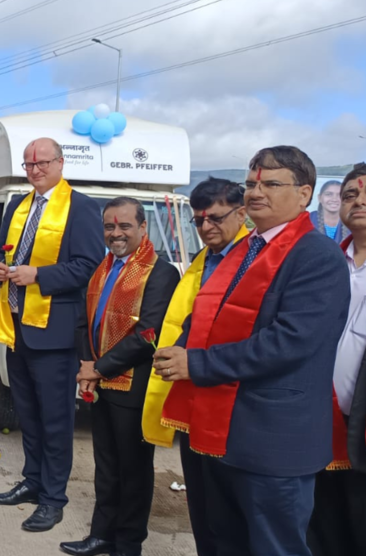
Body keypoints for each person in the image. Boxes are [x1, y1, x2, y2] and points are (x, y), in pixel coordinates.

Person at [154, 146, 350, 556]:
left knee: (273, 546)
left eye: (271, 184)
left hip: (272, 440)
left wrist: (196, 363)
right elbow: (206, 314)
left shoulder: (316, 255)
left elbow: (289, 341)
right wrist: (180, 347)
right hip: (219, 426)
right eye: (250, 184)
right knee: (222, 541)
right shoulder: (244, 250)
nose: (256, 192)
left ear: (305, 194)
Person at [0, 138, 105, 531]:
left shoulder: (81, 207)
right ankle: (32, 480)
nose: (35, 170)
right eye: (28, 164)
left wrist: (38, 275)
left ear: (60, 163)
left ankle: (53, 498)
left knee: (55, 419)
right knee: (27, 412)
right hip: (16, 326)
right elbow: (3, 252)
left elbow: (90, 266)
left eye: (42, 163)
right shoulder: (18, 206)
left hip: (54, 332)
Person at [61, 198, 179, 556]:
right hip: (100, 383)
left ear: (143, 228)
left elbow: (147, 335)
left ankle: (127, 545)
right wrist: (86, 364)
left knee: (134, 471)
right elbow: (84, 321)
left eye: (125, 226)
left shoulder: (160, 272)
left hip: (133, 388)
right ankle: (101, 535)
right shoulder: (103, 268)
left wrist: (97, 368)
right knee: (106, 466)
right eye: (110, 227)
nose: (116, 233)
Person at [141, 177, 249, 556]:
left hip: (231, 401)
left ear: (242, 213)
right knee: (201, 509)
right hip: (191, 395)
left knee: (229, 516)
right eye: (198, 220)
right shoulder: (205, 259)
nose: (206, 227)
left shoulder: (253, 260)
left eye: (215, 218)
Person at [308, 163, 366, 556]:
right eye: (351, 194)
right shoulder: (324, 264)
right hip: (319, 422)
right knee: (321, 532)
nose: (359, 201)